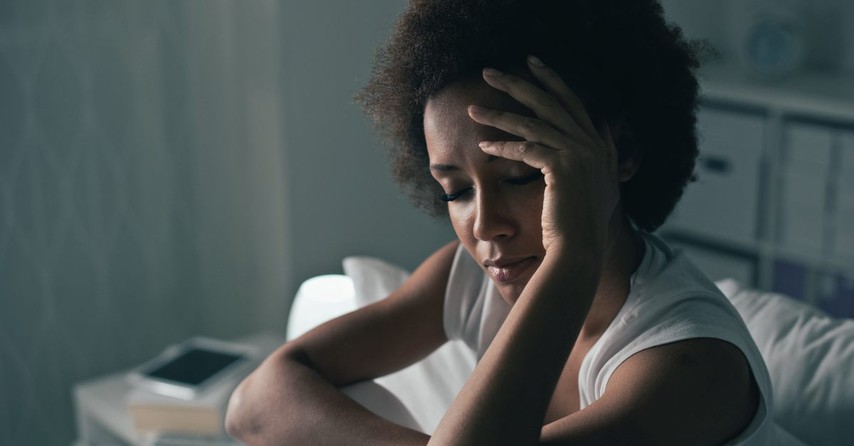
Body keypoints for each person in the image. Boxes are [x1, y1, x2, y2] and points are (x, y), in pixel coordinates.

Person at [225, 0, 777, 444]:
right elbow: (253, 404)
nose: (485, 226)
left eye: (519, 176)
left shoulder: (690, 366)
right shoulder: (468, 280)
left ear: (621, 152)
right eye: (458, 191)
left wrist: (572, 255)